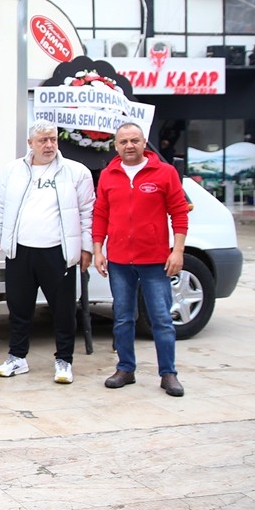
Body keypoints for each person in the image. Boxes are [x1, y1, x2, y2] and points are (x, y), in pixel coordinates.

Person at [0, 122, 95, 384]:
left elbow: (87, 212)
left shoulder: (76, 172)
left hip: (58, 252)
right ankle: (17, 358)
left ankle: (64, 361)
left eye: (53, 140)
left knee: (63, 310)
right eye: (43, 140)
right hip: (20, 251)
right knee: (19, 307)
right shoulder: (13, 171)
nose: (49, 145)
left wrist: (86, 247)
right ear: (30, 143)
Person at [93, 122, 190, 397]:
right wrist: (99, 250)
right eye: (123, 142)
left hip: (156, 261)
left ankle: (168, 374)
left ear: (144, 142)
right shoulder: (109, 175)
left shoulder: (164, 172)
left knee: (161, 318)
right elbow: (101, 214)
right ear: (116, 145)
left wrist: (178, 250)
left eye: (134, 140)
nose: (129, 146)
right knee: (123, 318)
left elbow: (179, 213)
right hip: (120, 261)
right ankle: (125, 369)